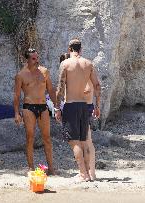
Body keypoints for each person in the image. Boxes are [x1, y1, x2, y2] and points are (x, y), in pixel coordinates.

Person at [55, 38, 101, 181]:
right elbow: (97, 86)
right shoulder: (88, 64)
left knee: (74, 142)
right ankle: (88, 174)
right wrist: (97, 106)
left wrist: (57, 107)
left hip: (71, 104)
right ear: (80, 49)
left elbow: (60, 88)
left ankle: (82, 174)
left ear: (70, 49)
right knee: (83, 140)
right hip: (84, 105)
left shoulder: (66, 63)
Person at [13, 48, 56, 175]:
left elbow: (51, 89)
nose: (36, 60)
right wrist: (16, 113)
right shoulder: (21, 75)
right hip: (29, 107)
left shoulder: (44, 72)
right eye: (33, 58)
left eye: (37, 58)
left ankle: (51, 168)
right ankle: (31, 167)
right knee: (30, 137)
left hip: (43, 107)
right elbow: (16, 95)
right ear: (27, 59)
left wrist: (57, 107)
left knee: (47, 138)